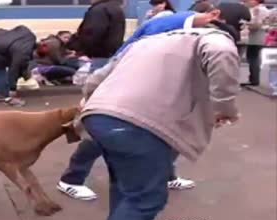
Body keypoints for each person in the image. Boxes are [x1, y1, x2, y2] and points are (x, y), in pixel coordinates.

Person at [73, 26, 241, 220]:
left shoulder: (145, 42)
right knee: (147, 197)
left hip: (98, 117)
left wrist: (92, 103)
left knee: (123, 180)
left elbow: (96, 79)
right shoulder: (214, 38)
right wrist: (225, 108)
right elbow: (221, 51)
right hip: (138, 123)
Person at [57, 9, 223, 201]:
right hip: (124, 94)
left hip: (162, 96)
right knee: (103, 133)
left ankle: (166, 175)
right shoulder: (149, 39)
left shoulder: (192, 42)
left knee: (172, 134)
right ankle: (71, 179)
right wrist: (90, 98)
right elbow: (104, 73)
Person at [0, 26, 36, 107]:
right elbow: (15, 68)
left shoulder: (24, 39)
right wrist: (12, 88)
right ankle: (8, 98)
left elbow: (21, 64)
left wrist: (25, 74)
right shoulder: (25, 48)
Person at [68, 0, 126, 72]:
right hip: (112, 54)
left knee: (96, 80)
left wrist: (82, 50)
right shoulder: (116, 9)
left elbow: (92, 33)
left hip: (99, 55)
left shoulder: (99, 10)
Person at [244, 0, 270, 86]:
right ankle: (253, 78)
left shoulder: (259, 10)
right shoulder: (261, 9)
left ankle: (254, 79)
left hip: (256, 37)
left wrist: (246, 24)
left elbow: (256, 24)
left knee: (253, 57)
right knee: (253, 57)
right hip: (257, 36)